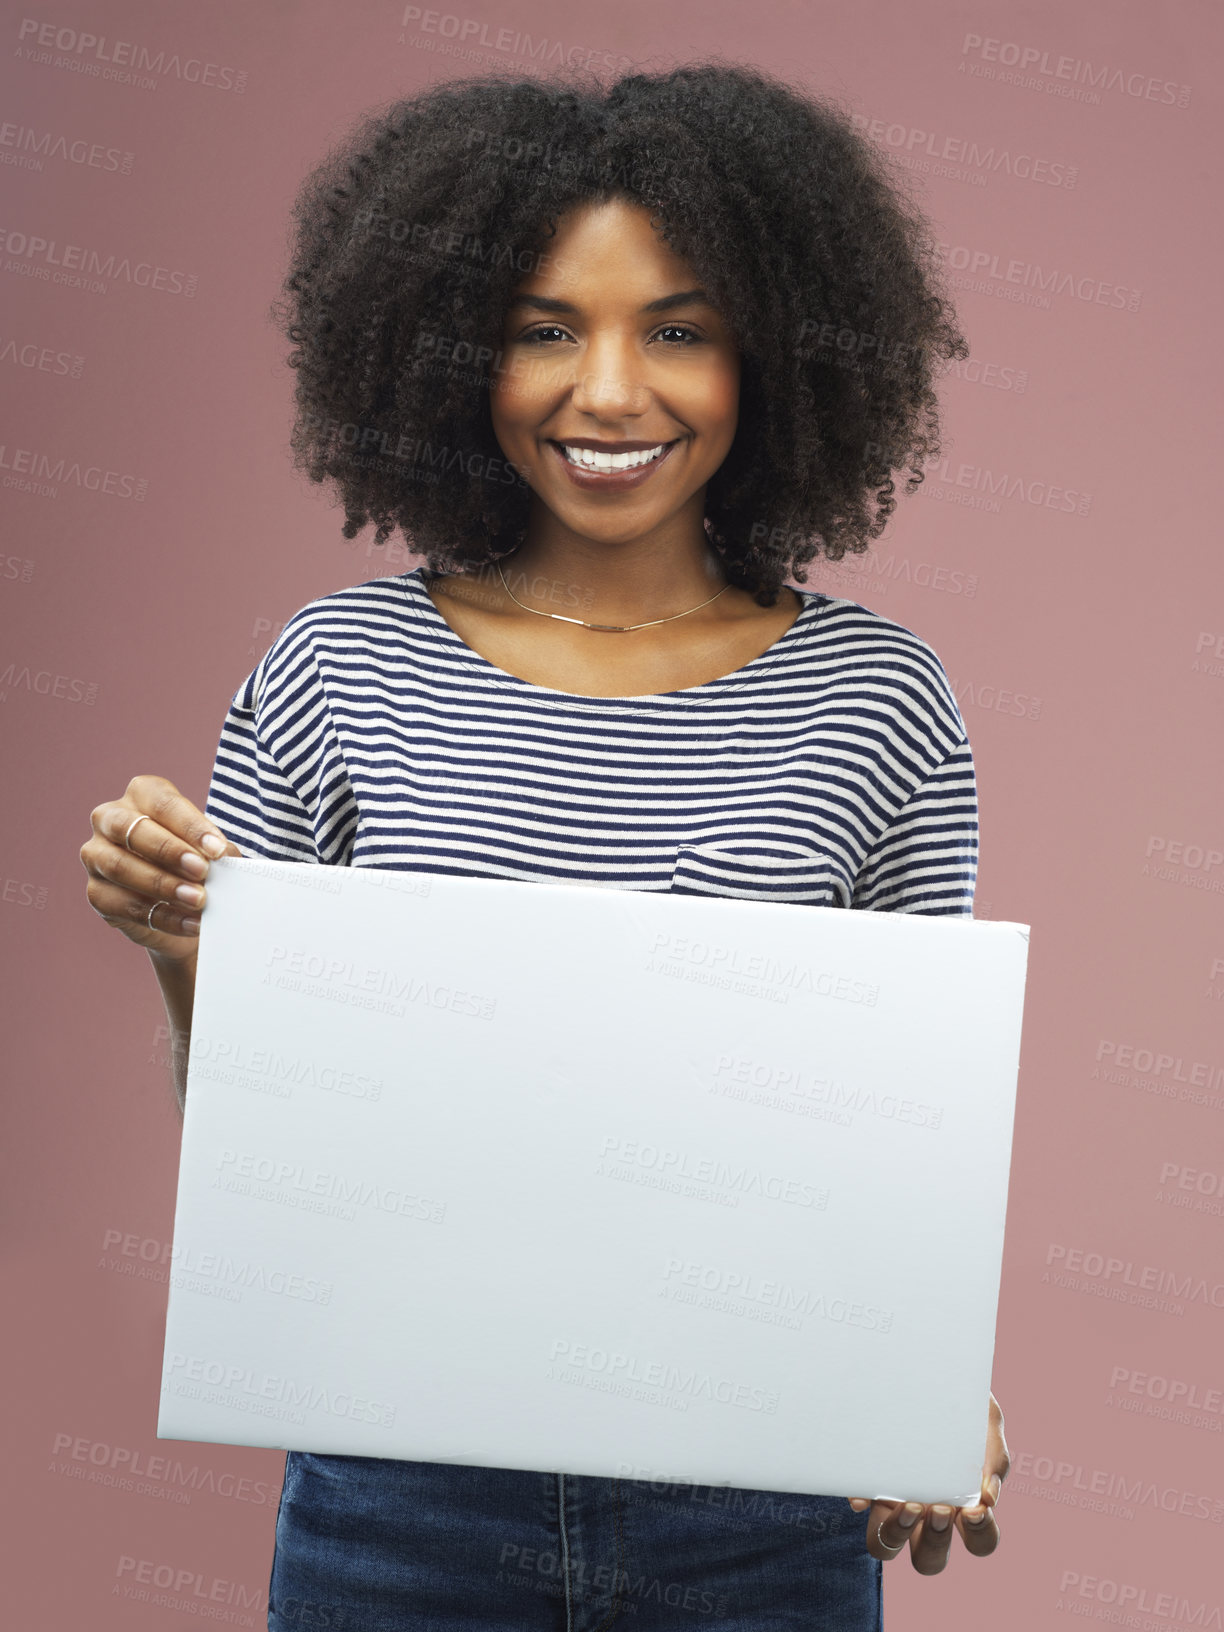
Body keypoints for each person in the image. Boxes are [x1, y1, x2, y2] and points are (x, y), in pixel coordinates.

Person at [81, 62, 1009, 1631]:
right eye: (542, 328)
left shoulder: (878, 701)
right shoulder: (332, 675)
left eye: (680, 329)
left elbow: (908, 1146)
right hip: (401, 1507)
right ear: (451, 355)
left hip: (764, 1516)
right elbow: (269, 1152)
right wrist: (191, 957)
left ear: (770, 356)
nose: (608, 393)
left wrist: (927, 1394)